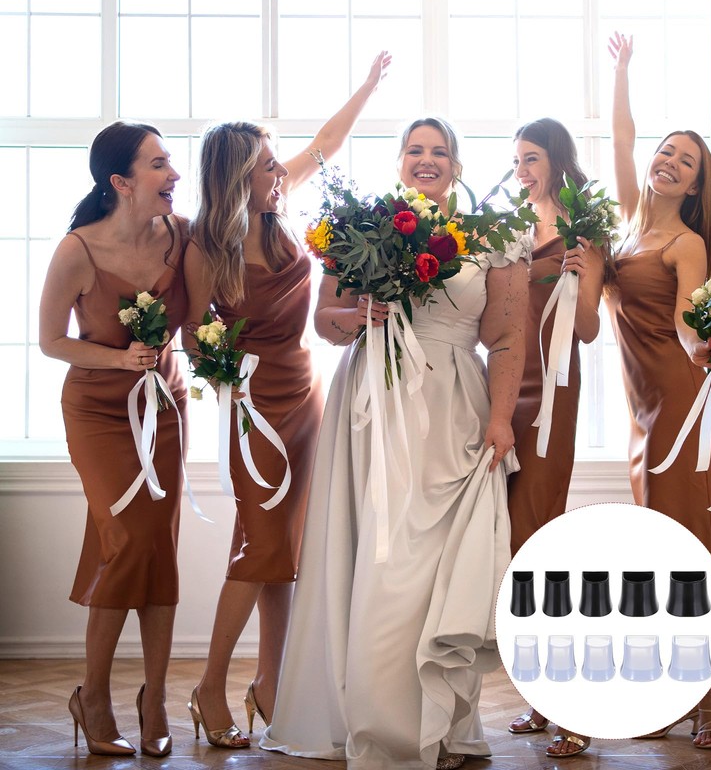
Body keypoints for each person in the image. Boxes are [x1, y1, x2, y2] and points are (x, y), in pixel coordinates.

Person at [260, 116, 530, 770]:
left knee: (441, 566)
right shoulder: (360, 225)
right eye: (415, 149)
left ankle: (444, 724)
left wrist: (501, 419)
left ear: (456, 165)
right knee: (384, 560)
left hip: (454, 406)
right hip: (375, 405)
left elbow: (506, 337)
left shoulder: (491, 237)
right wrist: (358, 316)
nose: (426, 159)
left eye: (439, 151)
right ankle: (385, 730)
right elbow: (324, 322)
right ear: (400, 160)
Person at [182, 52, 391, 749]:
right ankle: (211, 685)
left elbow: (327, 143)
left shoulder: (280, 206)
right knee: (260, 545)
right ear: (238, 175)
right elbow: (194, 337)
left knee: (285, 551)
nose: (280, 173)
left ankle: (270, 684)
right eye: (267, 166)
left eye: (278, 165)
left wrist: (367, 86)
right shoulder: (205, 245)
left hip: (305, 395)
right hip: (253, 410)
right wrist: (227, 377)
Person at [605, 31, 711, 753]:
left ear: (694, 186)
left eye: (685, 161)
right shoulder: (630, 220)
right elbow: (622, 139)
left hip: (681, 405)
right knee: (660, 547)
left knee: (690, 548)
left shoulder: (687, 243)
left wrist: (703, 348)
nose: (668, 161)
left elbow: (689, 320)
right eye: (667, 151)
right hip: (642, 409)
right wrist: (623, 70)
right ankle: (676, 684)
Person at [39, 121, 187, 758]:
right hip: (98, 411)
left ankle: (155, 698)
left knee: (158, 548)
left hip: (165, 407)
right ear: (121, 182)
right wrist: (119, 359)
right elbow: (51, 342)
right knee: (124, 540)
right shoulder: (77, 250)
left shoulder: (180, 235)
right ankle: (93, 696)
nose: (173, 175)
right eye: (159, 164)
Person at [505, 119, 607, 754]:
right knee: (514, 550)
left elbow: (589, 329)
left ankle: (574, 704)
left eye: (532, 158)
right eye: (517, 159)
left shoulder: (583, 231)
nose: (521, 170)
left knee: (537, 540)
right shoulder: (512, 227)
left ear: (557, 161)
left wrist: (575, 275)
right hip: (501, 392)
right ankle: (543, 698)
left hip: (550, 395)